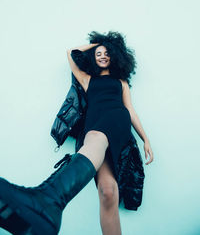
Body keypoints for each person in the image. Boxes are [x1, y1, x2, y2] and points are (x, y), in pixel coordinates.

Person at [0, 31, 153, 235]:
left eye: (107, 53)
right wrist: (101, 43)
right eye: (98, 53)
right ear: (92, 56)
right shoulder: (87, 79)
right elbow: (70, 52)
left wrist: (145, 139)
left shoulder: (121, 82)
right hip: (96, 124)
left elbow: (131, 110)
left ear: (115, 56)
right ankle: (49, 200)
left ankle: (47, 200)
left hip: (119, 128)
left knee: (110, 192)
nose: (102, 56)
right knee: (101, 166)